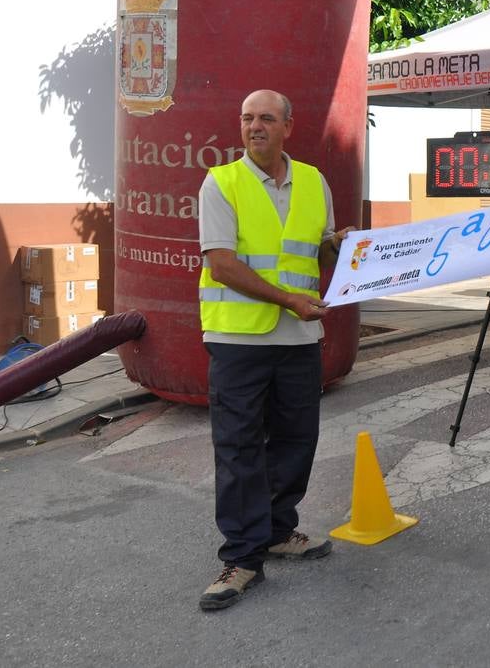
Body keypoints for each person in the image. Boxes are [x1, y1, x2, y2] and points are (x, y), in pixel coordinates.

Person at [196, 89, 355, 611]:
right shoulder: (221, 183)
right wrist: (289, 299)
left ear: (289, 125)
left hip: (299, 339)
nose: (254, 126)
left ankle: (278, 529)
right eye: (246, 118)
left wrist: (340, 244)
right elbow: (221, 264)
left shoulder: (313, 181)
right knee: (239, 448)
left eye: (266, 118)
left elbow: (319, 250)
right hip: (238, 339)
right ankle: (241, 559)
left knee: (296, 439)